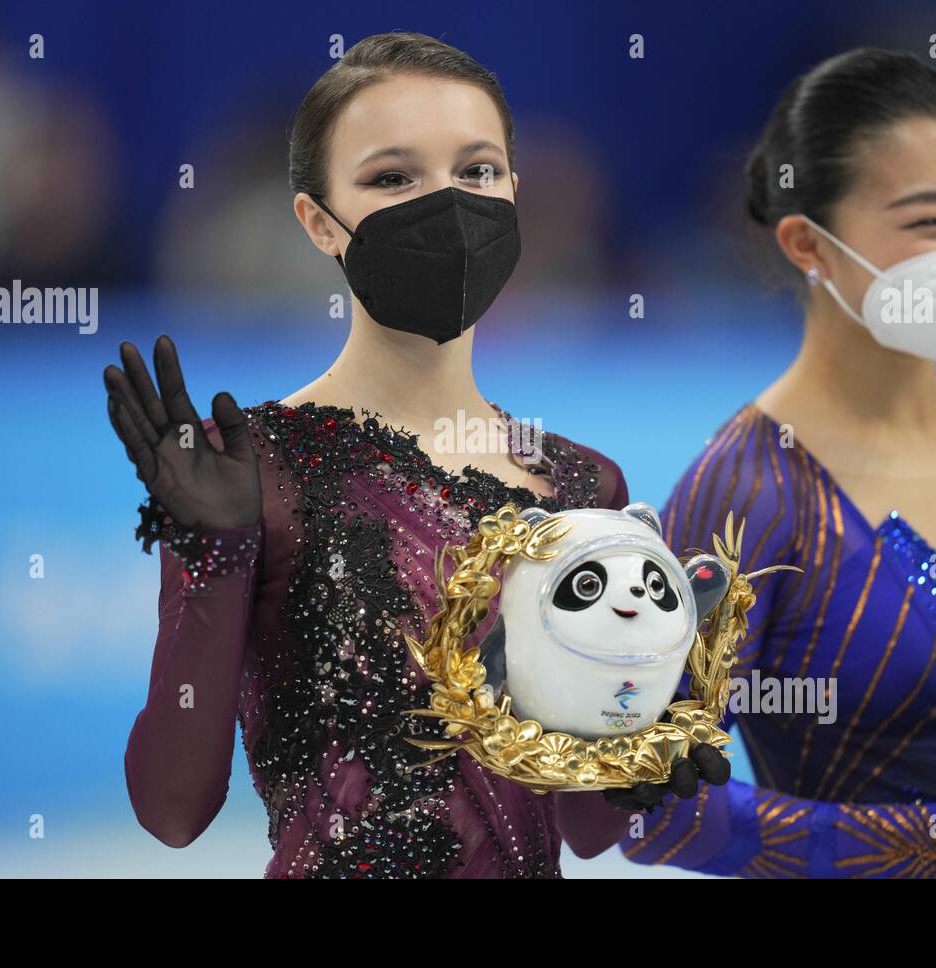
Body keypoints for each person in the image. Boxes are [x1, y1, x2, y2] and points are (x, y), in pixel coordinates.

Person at [103, 32, 637, 878]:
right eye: (394, 178)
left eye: (477, 171)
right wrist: (213, 556)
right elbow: (172, 810)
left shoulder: (579, 486)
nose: (450, 204)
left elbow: (589, 828)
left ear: (513, 192)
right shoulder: (250, 470)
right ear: (319, 222)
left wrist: (641, 714)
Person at [578, 48, 936, 877]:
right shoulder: (752, 489)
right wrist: (932, 842)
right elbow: (638, 805)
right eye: (931, 222)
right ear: (808, 244)